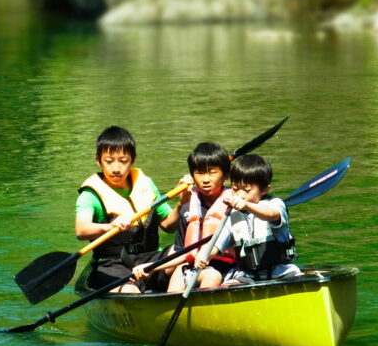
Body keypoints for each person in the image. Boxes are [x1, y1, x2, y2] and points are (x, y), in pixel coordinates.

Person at [76, 126, 182, 293]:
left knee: (182, 255)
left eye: (123, 161)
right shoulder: (90, 195)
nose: (116, 168)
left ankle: (173, 299)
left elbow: (169, 225)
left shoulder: (145, 185)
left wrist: (182, 204)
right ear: (98, 160)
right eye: (109, 161)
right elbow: (81, 230)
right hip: (111, 265)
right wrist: (110, 227)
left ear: (132, 161)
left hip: (149, 259)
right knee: (129, 291)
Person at [133, 142, 234, 292]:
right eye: (199, 173)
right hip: (192, 267)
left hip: (227, 268)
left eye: (212, 173)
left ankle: (204, 310)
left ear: (225, 175)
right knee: (178, 276)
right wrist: (151, 267)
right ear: (192, 176)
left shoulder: (235, 205)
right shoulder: (188, 208)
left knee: (211, 276)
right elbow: (182, 253)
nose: (206, 179)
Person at [195, 153, 300, 285]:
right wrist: (205, 254)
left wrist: (248, 206)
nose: (240, 194)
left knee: (297, 276)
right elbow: (217, 245)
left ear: (264, 190)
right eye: (235, 189)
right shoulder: (232, 215)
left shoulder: (275, 204)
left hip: (282, 272)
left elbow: (272, 214)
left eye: (247, 190)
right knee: (227, 285)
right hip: (247, 275)